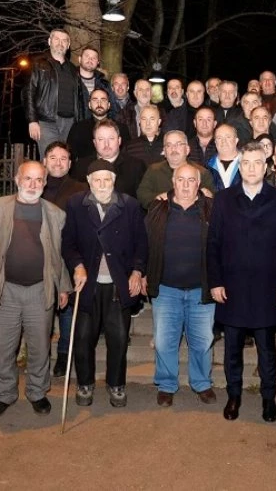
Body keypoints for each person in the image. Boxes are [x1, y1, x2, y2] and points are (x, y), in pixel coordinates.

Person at [0, 161, 72, 419]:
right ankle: (3, 395)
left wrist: (63, 287)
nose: (32, 184)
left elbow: (59, 256)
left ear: (45, 183)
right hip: (5, 290)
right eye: (28, 178)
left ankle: (37, 393)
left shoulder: (55, 214)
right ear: (17, 179)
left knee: (40, 347)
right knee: (2, 348)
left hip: (40, 291)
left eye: (39, 180)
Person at [207, 141, 276, 423]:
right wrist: (216, 282)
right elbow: (213, 244)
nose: (252, 168)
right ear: (240, 166)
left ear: (266, 167)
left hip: (267, 289)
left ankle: (268, 399)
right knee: (232, 350)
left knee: (266, 351)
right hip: (232, 288)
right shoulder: (223, 199)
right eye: (246, 163)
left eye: (258, 163)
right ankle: (234, 396)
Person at [62, 159, 148, 407]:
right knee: (83, 338)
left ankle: (116, 384)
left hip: (117, 283)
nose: (102, 184)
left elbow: (141, 244)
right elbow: (68, 243)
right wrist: (77, 265)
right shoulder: (76, 204)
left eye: (107, 179)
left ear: (114, 181)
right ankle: (85, 383)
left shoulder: (129, 205)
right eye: (97, 180)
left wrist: (137, 271)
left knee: (118, 338)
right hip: (87, 284)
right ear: (89, 181)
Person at [143, 164, 217, 407]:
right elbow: (144, 243)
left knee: (203, 340)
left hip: (201, 289)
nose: (185, 185)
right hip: (166, 289)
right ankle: (166, 384)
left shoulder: (211, 208)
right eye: (181, 180)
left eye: (191, 180)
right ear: (173, 182)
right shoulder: (158, 208)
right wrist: (142, 273)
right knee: (164, 341)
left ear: (199, 184)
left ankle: (202, 383)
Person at [40, 142, 87, 377]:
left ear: (69, 164)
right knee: (42, 311)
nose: (58, 163)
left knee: (67, 312)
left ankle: (63, 355)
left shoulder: (80, 189)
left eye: (63, 158)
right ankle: (41, 357)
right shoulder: (35, 186)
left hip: (68, 259)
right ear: (44, 161)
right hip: (39, 260)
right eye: (53, 157)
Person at [23, 29, 79, 157]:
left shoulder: (73, 69)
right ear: (49, 41)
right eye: (56, 39)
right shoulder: (38, 63)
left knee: (64, 160)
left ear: (68, 45)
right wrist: (32, 120)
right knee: (51, 159)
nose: (60, 43)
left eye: (64, 40)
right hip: (46, 121)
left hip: (70, 123)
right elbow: (28, 92)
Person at [136, 130, 216, 210]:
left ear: (187, 149)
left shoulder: (201, 172)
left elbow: (211, 199)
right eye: (169, 145)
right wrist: (158, 200)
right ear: (164, 151)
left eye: (178, 144)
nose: (173, 149)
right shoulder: (153, 170)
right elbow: (142, 194)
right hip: (161, 214)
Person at [72, 119, 147, 198]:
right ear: (94, 143)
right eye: (101, 139)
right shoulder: (81, 167)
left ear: (119, 141)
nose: (106, 144)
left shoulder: (136, 166)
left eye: (111, 138)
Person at [66, 88, 112, 163]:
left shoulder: (121, 128)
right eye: (95, 100)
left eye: (103, 100)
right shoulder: (78, 128)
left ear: (109, 105)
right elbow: (70, 155)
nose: (99, 103)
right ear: (89, 105)